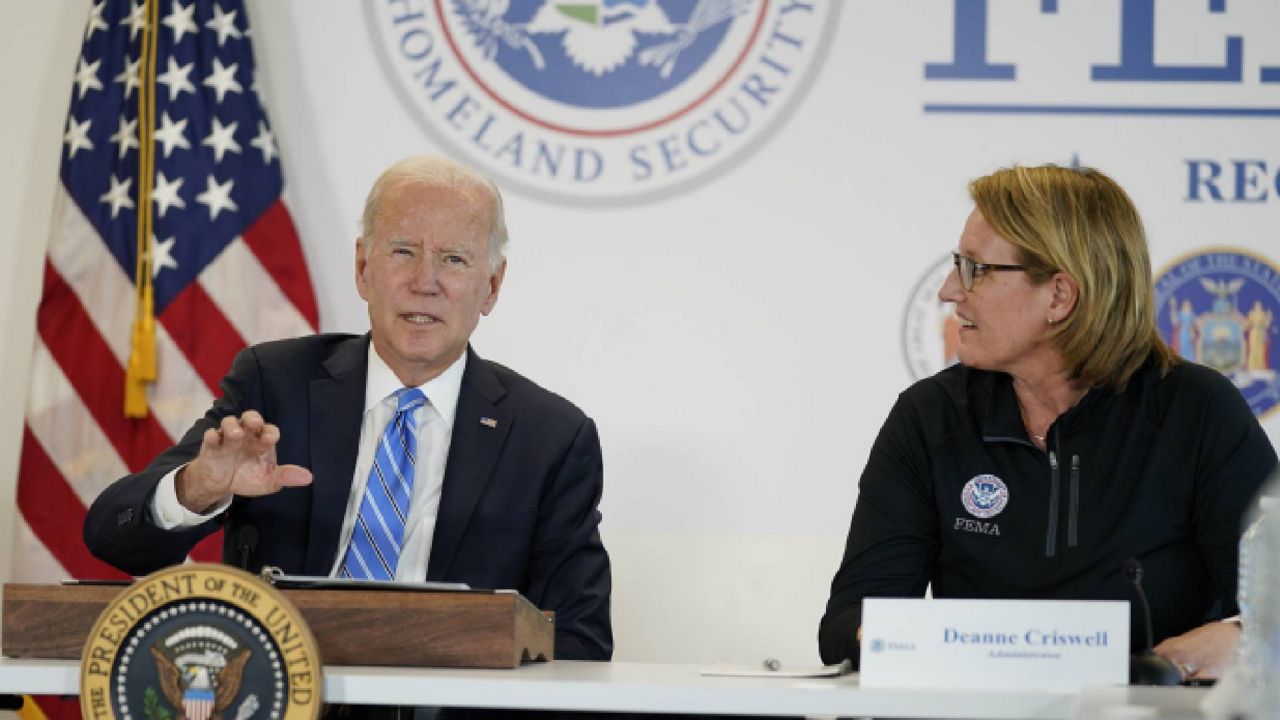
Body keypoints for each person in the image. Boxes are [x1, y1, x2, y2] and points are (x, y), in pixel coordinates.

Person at [84, 155, 612, 661]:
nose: (424, 282)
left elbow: (579, 641)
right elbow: (113, 538)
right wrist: (200, 486)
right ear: (363, 268)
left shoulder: (550, 439)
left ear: (491, 286)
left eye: (454, 259)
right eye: (403, 251)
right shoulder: (276, 386)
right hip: (285, 696)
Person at [819, 164, 1275, 681]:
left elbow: (1275, 618)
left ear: (1059, 296)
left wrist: (1207, 652)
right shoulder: (930, 415)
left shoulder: (1198, 411)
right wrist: (945, 645)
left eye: (975, 269)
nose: (949, 290)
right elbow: (847, 625)